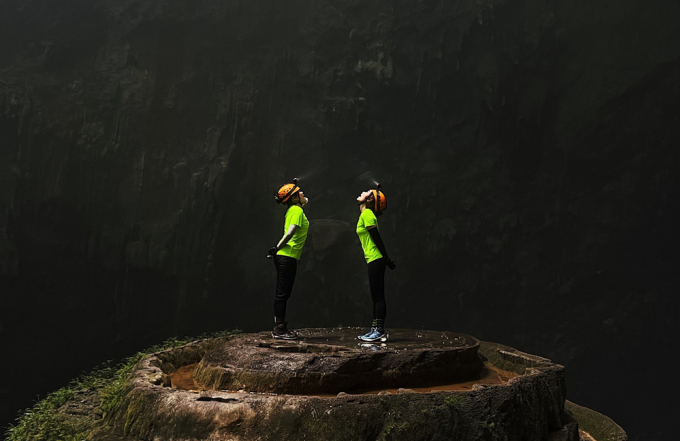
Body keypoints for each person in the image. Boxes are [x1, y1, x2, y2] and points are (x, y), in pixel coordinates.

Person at [267, 178, 309, 340]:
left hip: (287, 256)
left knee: (283, 292)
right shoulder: (297, 211)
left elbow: (305, 201)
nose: (303, 193)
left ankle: (280, 326)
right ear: (293, 198)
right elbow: (290, 232)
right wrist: (277, 247)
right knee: (283, 293)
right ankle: (279, 329)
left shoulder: (294, 210)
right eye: (300, 193)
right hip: (286, 256)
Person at [356, 183, 395, 342]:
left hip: (376, 258)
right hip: (373, 258)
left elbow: (376, 238)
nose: (363, 191)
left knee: (378, 296)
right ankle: (374, 329)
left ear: (371, 200)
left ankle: (379, 330)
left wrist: (385, 258)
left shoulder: (367, 214)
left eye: (367, 192)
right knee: (375, 296)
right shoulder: (366, 214)